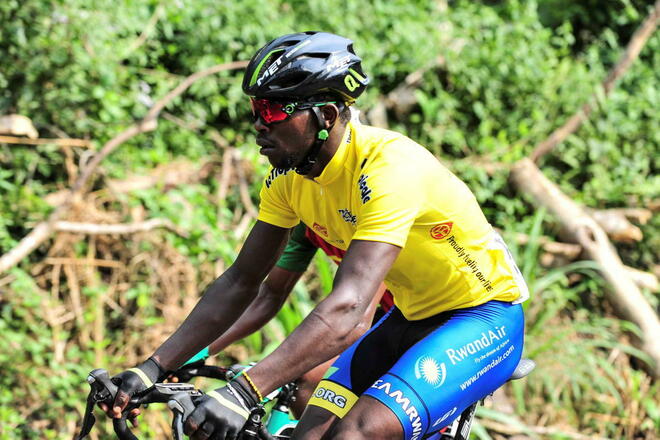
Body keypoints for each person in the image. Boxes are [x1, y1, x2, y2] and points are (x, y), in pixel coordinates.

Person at [100, 31, 529, 440]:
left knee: (356, 433)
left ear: (324, 116)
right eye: (255, 112)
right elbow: (242, 282)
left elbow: (350, 305)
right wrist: (153, 368)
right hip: (409, 317)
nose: (258, 126)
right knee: (309, 430)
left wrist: (245, 391)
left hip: (480, 317)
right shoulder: (289, 180)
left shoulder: (389, 170)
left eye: (272, 112)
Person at [173, 222, 393, 418]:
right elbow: (269, 294)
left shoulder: (375, 214)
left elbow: (355, 318)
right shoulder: (307, 218)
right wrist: (199, 351)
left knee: (309, 380)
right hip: (374, 314)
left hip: (407, 321)